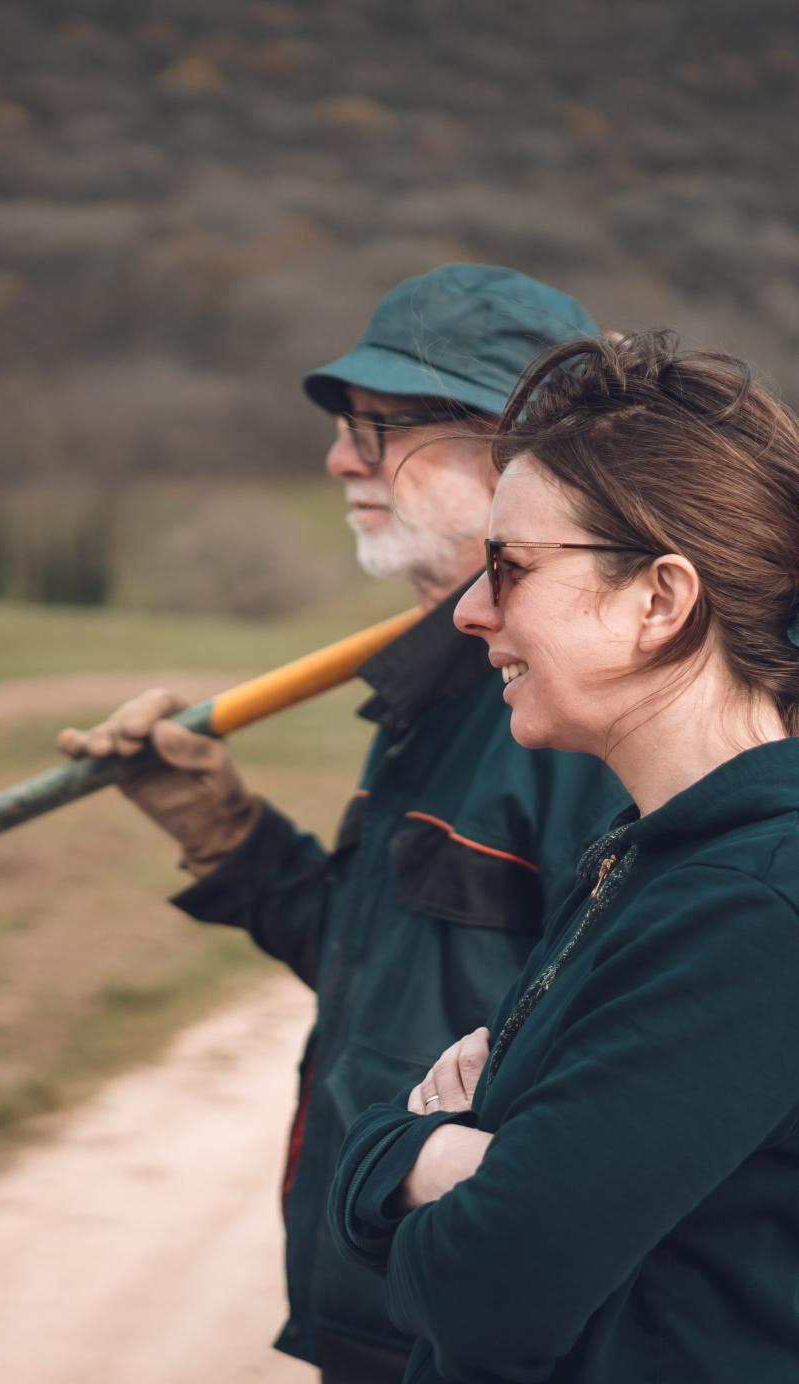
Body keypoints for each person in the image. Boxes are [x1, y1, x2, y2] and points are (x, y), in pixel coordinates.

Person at [58, 264, 629, 1382]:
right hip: (377, 1311)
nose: (339, 460)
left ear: (527, 452)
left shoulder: (585, 722)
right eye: (344, 429)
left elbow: (623, 1091)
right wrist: (229, 836)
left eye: (385, 428)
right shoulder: (441, 686)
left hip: (482, 1332)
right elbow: (393, 980)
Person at [328, 330, 799, 1383]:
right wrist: (442, 1160)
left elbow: (476, 1292)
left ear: (658, 601)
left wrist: (406, 1154)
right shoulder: (645, 854)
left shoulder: (752, 909)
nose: (470, 611)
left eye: (511, 570)